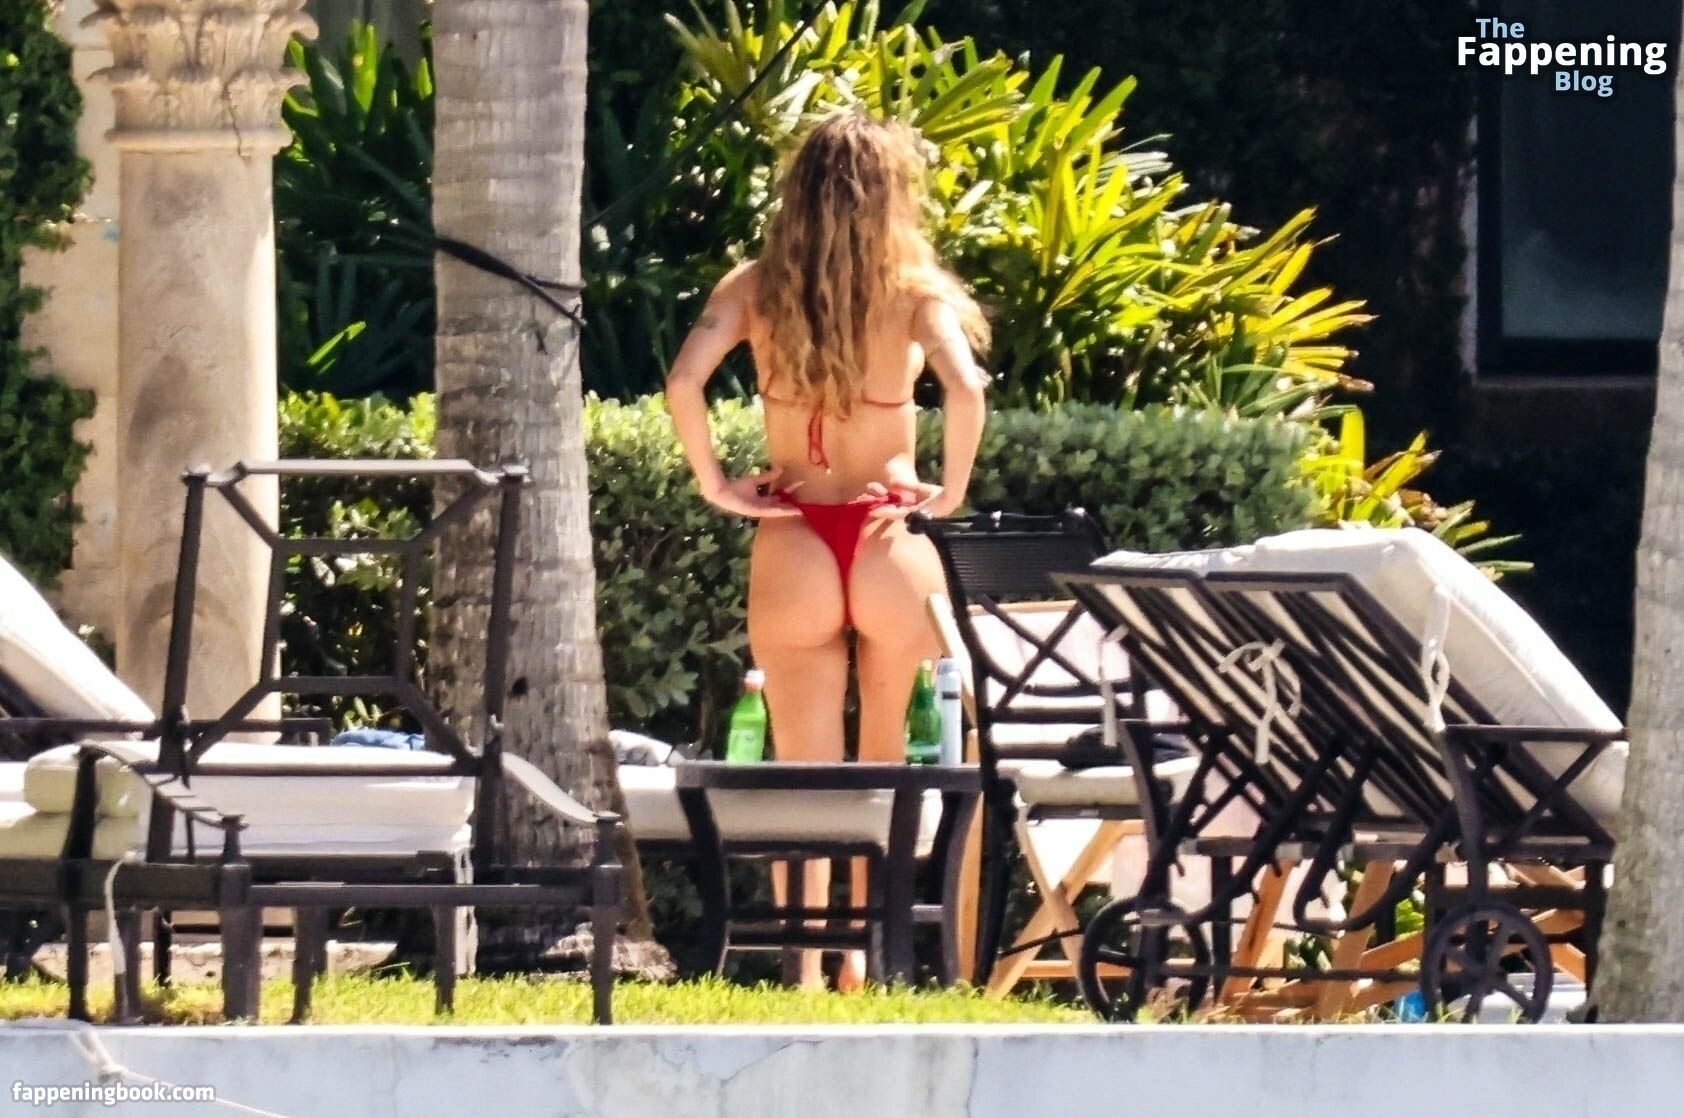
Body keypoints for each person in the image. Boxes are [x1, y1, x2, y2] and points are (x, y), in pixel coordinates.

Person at [665, 112, 990, 989]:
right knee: (886, 770)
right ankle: (869, 965)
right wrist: (950, 491)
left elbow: (683, 382)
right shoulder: (916, 291)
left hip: (794, 528)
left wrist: (716, 484)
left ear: (796, 190)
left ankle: (804, 970)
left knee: (799, 772)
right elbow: (965, 389)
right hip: (890, 535)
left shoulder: (753, 285)